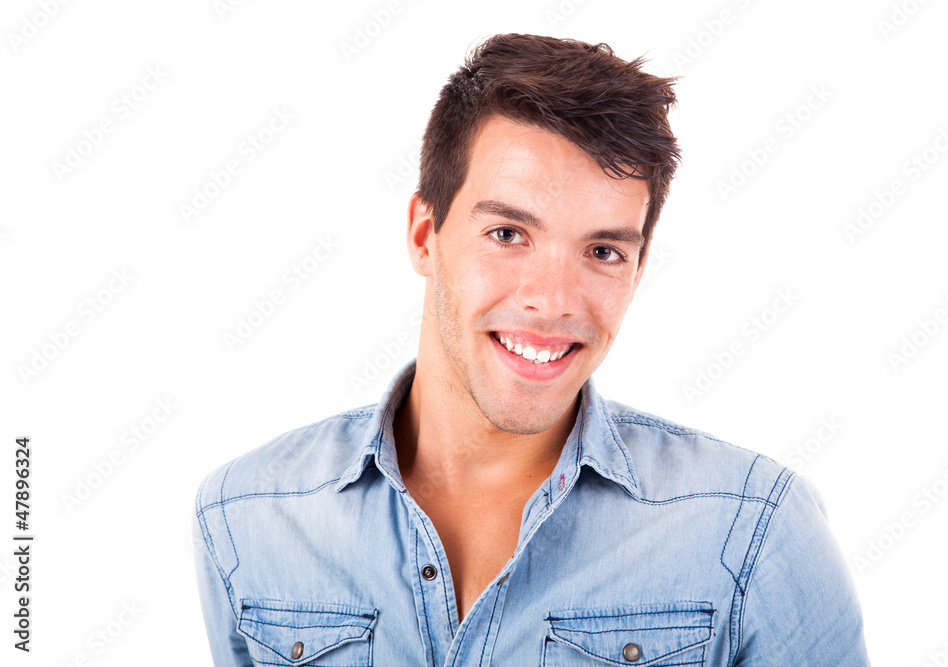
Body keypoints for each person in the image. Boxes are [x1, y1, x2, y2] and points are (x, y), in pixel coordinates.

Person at [193, 33, 870, 666]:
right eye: (509, 234)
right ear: (425, 234)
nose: (553, 301)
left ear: (637, 269)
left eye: (603, 251)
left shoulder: (755, 529)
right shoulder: (248, 515)